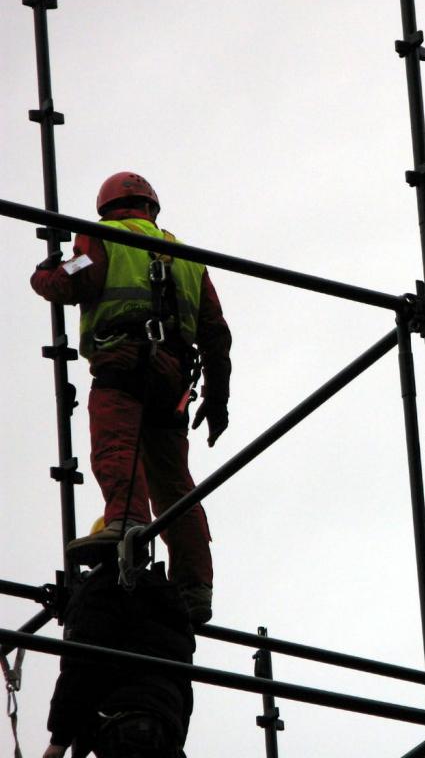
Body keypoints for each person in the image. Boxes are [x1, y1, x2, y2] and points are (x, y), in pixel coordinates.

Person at [31, 171, 232, 623]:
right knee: (175, 484)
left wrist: (44, 273)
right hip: (173, 379)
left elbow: (69, 283)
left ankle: (126, 521)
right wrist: (217, 401)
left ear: (107, 209)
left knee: (117, 447)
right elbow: (216, 335)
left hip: (123, 362)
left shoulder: (102, 238)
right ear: (151, 208)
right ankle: (195, 585)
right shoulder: (187, 257)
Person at [42, 563, 194, 758]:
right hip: (165, 729)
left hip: (124, 722)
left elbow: (81, 669)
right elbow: (184, 681)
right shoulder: (170, 600)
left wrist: (60, 739)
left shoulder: (101, 588)